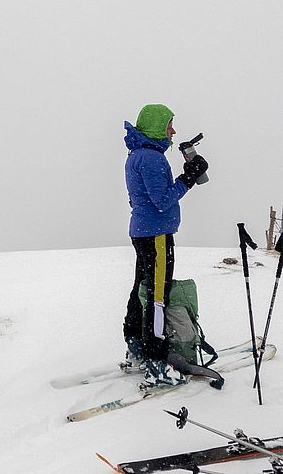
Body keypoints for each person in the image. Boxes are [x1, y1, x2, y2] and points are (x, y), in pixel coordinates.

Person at [122, 103, 208, 385]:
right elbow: (163, 200)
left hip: (143, 231)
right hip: (157, 235)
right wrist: (189, 178)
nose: (173, 130)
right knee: (158, 295)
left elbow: (147, 198)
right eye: (170, 124)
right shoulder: (152, 159)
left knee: (142, 289)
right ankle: (158, 361)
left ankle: (136, 346)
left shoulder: (137, 155)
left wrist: (186, 176)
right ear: (157, 126)